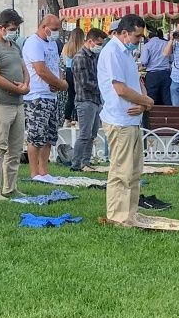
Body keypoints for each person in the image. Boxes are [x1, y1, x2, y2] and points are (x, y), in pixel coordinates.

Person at [98, 14, 152, 226]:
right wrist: (146, 100)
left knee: (134, 171)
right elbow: (119, 89)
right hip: (119, 120)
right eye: (137, 36)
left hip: (132, 119)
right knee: (121, 172)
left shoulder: (127, 53)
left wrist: (144, 102)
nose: (139, 40)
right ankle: (118, 217)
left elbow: (135, 81)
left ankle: (130, 213)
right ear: (123, 33)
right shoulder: (112, 52)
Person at [0, 9, 30, 201]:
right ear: (1, 28)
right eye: (11, 28)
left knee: (15, 149)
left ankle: (10, 187)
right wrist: (19, 89)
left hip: (17, 104)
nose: (14, 31)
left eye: (16, 28)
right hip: (0, 104)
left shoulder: (14, 46)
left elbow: (24, 68)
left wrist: (26, 85)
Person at [21, 15, 67, 180]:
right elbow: (41, 70)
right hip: (36, 96)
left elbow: (55, 65)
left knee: (49, 135)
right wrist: (61, 84)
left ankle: (44, 171)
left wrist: (60, 80)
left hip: (51, 95)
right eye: (54, 29)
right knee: (36, 135)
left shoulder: (53, 43)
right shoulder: (33, 43)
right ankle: (34, 172)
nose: (56, 33)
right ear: (44, 27)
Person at [70, 28, 108, 173]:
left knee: (91, 135)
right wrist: (103, 87)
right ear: (90, 41)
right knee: (84, 135)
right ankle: (76, 163)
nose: (100, 46)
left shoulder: (93, 56)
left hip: (95, 100)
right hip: (85, 100)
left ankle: (85, 162)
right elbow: (85, 82)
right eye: (98, 43)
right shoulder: (80, 57)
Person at [138, 27, 172, 107]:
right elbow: (171, 58)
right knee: (167, 97)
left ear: (149, 37)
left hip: (152, 75)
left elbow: (144, 61)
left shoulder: (147, 45)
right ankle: (168, 116)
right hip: (166, 73)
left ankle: (152, 117)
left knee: (151, 98)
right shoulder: (166, 43)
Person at [61, 32, 82, 125]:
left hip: (69, 71)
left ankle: (67, 119)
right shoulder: (82, 46)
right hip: (79, 70)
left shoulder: (66, 46)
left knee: (70, 96)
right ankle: (78, 119)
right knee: (79, 95)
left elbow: (64, 61)